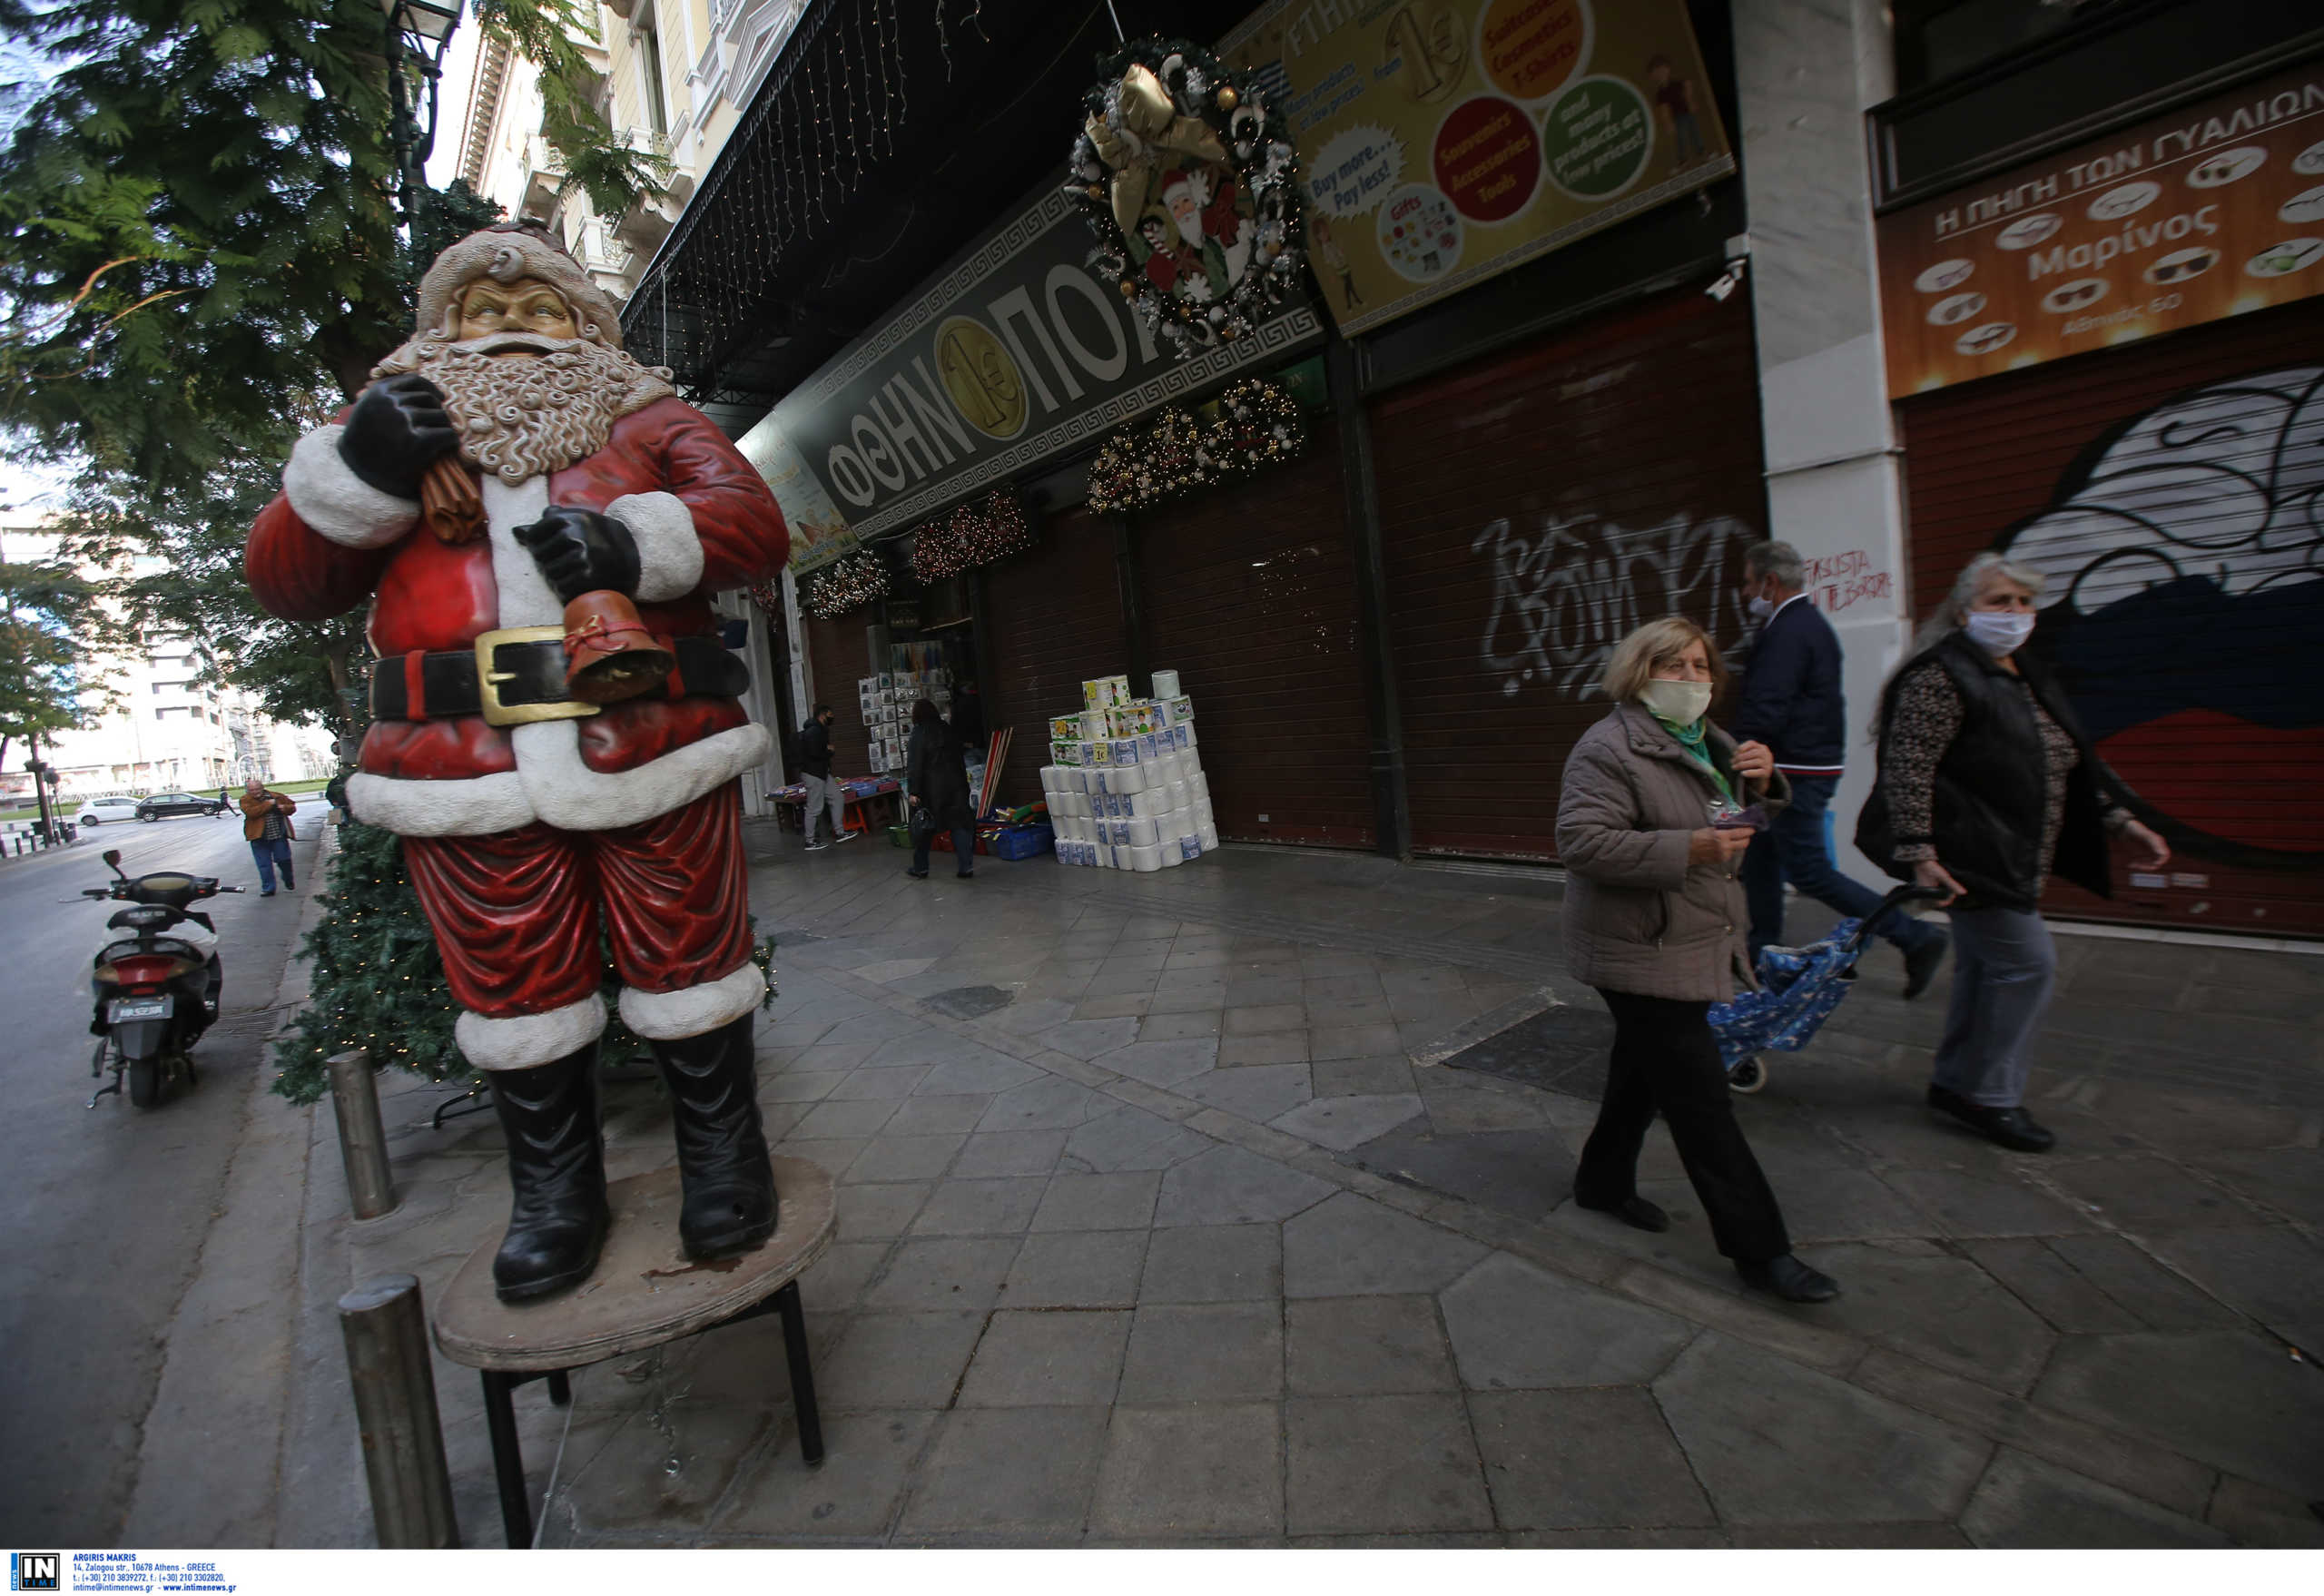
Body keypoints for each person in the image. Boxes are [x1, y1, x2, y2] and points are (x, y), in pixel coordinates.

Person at [245, 222, 792, 1302]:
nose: (509, 331)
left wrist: (633, 545)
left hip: (650, 739)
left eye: (538, 310)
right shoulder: (386, 431)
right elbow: (289, 581)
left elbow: (751, 522)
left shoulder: (646, 417)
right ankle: (554, 1194)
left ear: (586, 328)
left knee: (688, 956)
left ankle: (725, 1159)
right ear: (441, 330)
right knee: (512, 985)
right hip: (460, 761)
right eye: (483, 314)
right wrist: (361, 470)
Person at [1558, 617, 1838, 1303]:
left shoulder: (1710, 740)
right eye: (1673, 666)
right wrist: (1690, 849)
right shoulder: (1608, 749)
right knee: (1701, 1100)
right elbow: (1583, 843)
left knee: (1641, 1071)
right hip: (1640, 945)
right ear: (1638, 673)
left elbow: (1737, 822)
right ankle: (1761, 1250)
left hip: (1689, 934)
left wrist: (1767, 784)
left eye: (1699, 666)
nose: (1690, 680)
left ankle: (1600, 1183)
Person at [1858, 551, 2170, 1152]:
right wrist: (1920, 851)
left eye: (2023, 602)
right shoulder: (1942, 675)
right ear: (1963, 609)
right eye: (1999, 601)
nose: (2015, 613)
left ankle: (1957, 1083)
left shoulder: (2024, 671)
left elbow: (2066, 757)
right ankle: (1988, 1096)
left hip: (2012, 850)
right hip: (1972, 854)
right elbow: (1908, 768)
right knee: (2028, 965)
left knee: (1986, 968)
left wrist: (2119, 819)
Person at [1732, 539, 1948, 994]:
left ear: (1769, 582)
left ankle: (1915, 936)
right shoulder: (1805, 625)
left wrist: (1739, 756)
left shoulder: (1789, 631)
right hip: (1802, 766)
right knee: (1760, 861)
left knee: (1809, 871)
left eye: (1748, 582)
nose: (1745, 591)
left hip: (1790, 772)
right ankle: (1761, 953)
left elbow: (1767, 707)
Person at [904, 698, 976, 881]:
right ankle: (965, 867)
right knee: (958, 825)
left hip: (932, 788)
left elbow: (915, 765)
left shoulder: (919, 734)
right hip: (956, 785)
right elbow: (959, 756)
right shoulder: (947, 729)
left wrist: (914, 791)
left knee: (925, 826)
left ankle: (920, 868)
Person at [795, 704, 853, 850]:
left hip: (822, 773)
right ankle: (810, 841)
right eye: (830, 714)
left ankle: (840, 832)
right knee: (814, 807)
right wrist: (829, 751)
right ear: (822, 715)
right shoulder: (814, 731)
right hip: (813, 773)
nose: (832, 717)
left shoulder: (820, 730)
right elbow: (814, 752)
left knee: (837, 797)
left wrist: (826, 750)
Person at [239, 778, 298, 895]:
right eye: (251, 790)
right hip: (258, 837)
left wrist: (284, 808)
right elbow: (251, 813)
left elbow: (292, 807)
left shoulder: (276, 796)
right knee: (264, 864)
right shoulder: (245, 800)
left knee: (284, 860)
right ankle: (268, 888)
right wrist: (268, 804)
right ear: (247, 791)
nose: (255, 792)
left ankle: (288, 879)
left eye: (257, 789)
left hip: (278, 835)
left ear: (262, 787)